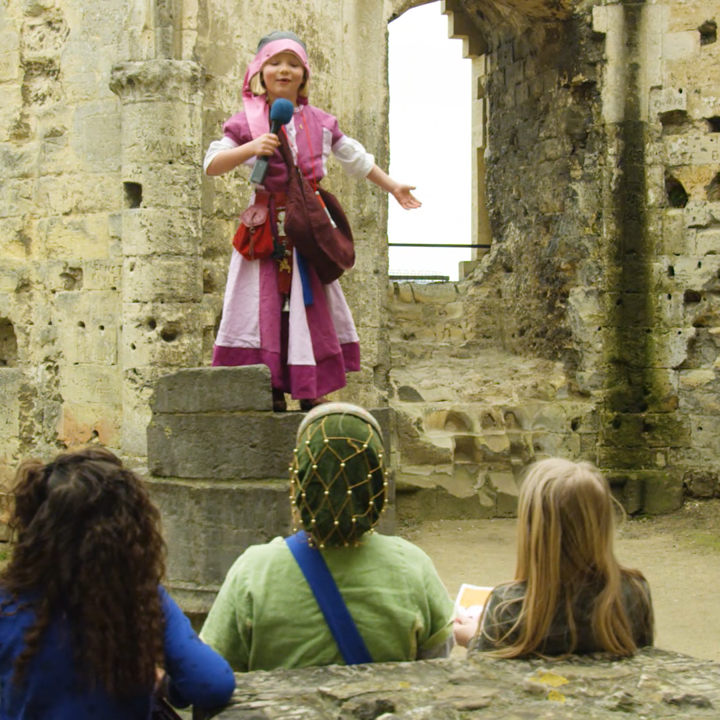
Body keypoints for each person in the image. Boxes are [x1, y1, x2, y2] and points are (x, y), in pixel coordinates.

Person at [205, 31, 420, 412]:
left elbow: (355, 158)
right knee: (261, 305)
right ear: (260, 71)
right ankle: (266, 383)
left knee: (310, 305)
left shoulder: (319, 121)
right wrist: (251, 148)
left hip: (308, 225)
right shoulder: (244, 122)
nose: (283, 70)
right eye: (275, 62)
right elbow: (212, 166)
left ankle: (308, 387)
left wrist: (393, 187)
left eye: (293, 64)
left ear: (304, 75)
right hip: (264, 229)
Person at [201, 403, 455, 671]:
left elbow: (213, 671)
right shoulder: (413, 566)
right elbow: (437, 662)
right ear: (376, 481)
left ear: (301, 478)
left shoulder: (254, 570)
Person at [0, 447, 235, 719]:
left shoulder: (8, 604)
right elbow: (213, 683)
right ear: (128, 533)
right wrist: (167, 686)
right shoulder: (138, 598)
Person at [454, 458, 654, 657]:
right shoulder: (634, 593)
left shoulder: (508, 606)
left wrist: (473, 639)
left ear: (532, 531)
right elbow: (641, 664)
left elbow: (486, 676)